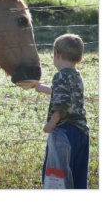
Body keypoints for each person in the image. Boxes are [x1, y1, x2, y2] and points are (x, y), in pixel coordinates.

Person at [35, 33, 89, 189]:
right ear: (79, 59)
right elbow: (65, 94)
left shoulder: (59, 76)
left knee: (57, 179)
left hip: (63, 133)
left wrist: (52, 122)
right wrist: (43, 89)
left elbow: (62, 103)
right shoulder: (76, 76)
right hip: (81, 133)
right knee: (78, 177)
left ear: (56, 55)